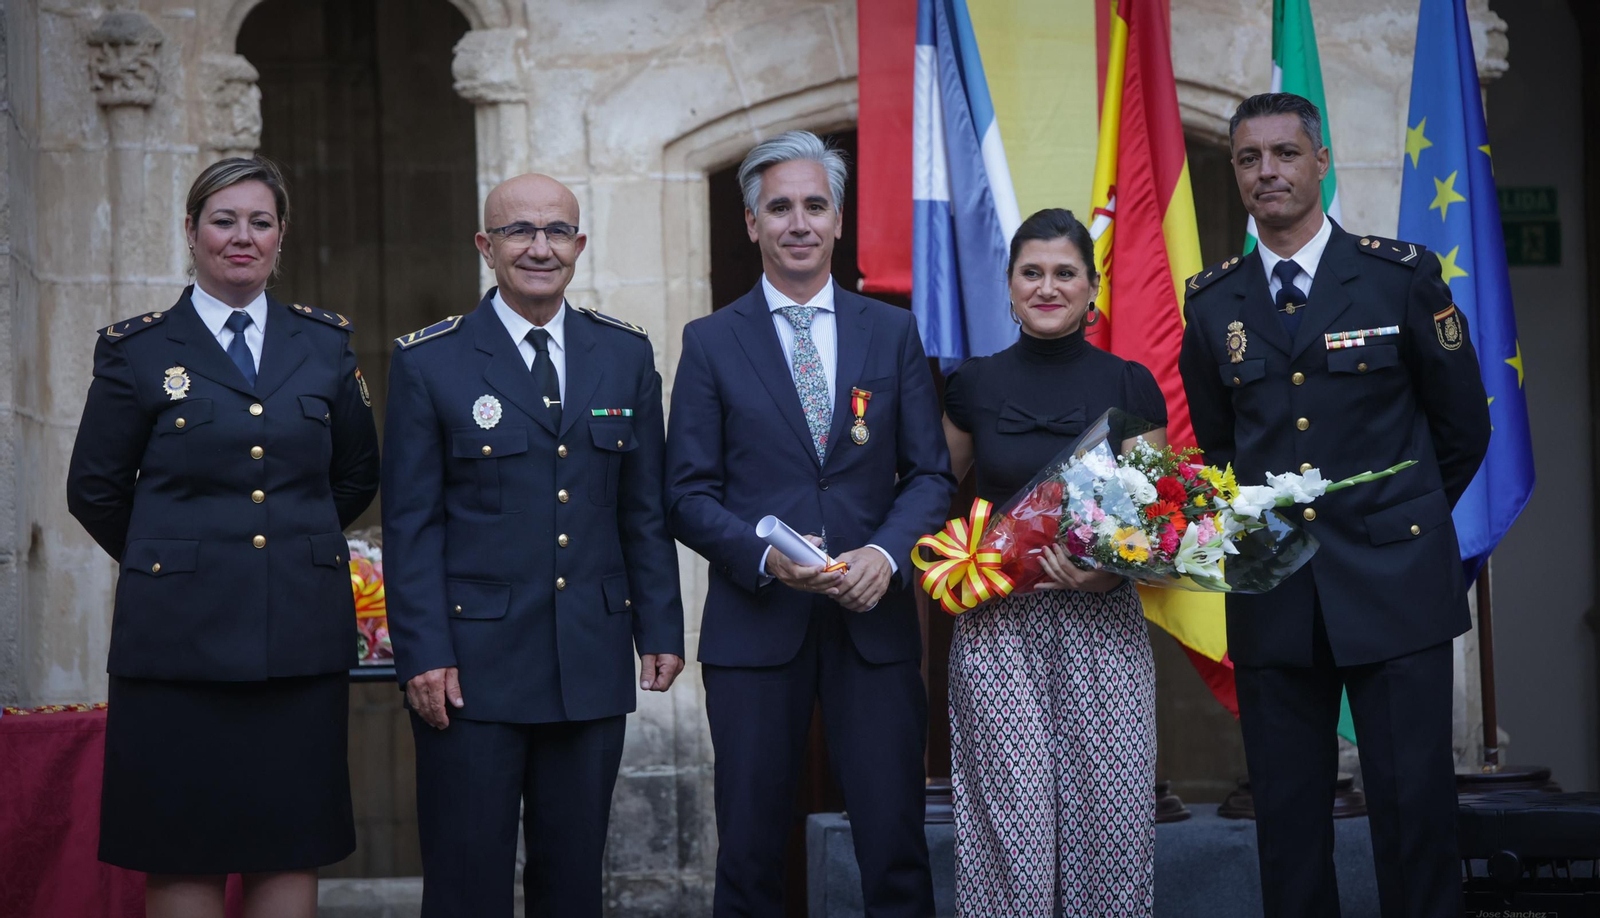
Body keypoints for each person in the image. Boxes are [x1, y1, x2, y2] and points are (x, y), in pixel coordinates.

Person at [1178, 93, 1491, 918]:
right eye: (1249, 159)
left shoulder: (1400, 276)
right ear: (1237, 174)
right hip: (1278, 592)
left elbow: (1464, 428)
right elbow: (1219, 448)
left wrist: (1397, 525)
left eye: (1285, 153)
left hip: (1396, 584)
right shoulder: (1213, 303)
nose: (1268, 171)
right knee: (1287, 826)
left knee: (1413, 814)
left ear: (1321, 163)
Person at [65, 155, 380, 918]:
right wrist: (178, 563)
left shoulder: (324, 345)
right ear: (192, 232)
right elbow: (96, 491)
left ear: (280, 237)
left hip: (298, 640)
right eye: (224, 220)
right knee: (183, 849)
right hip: (176, 644)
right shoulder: (138, 350)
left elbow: (358, 474)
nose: (243, 237)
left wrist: (285, 547)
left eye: (260, 222)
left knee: (289, 842)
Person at [665, 130, 956, 918]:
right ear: (752, 223)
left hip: (875, 627)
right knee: (752, 851)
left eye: (815, 206)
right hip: (757, 629)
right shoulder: (711, 342)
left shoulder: (889, 332)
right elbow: (686, 493)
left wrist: (886, 556)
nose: (799, 222)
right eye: (780, 207)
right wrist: (764, 556)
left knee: (895, 846)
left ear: (838, 220)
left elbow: (931, 474)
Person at [381, 173, 684, 918]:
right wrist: (422, 652)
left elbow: (642, 508)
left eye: (556, 231)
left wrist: (661, 627)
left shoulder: (623, 356)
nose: (539, 247)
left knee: (574, 880)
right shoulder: (431, 362)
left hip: (588, 654)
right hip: (472, 671)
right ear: (486, 246)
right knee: (465, 880)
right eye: (520, 231)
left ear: (579, 246)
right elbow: (411, 524)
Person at [940, 208, 1166, 918]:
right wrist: (970, 561)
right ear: (1007, 286)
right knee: (1013, 839)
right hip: (998, 637)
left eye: (1064, 273)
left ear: (1090, 288)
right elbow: (929, 497)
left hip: (1105, 635)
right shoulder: (971, 384)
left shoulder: (1131, 384)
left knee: (1114, 837)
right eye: (1030, 273)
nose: (1047, 287)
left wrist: (1112, 570)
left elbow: (1161, 522)